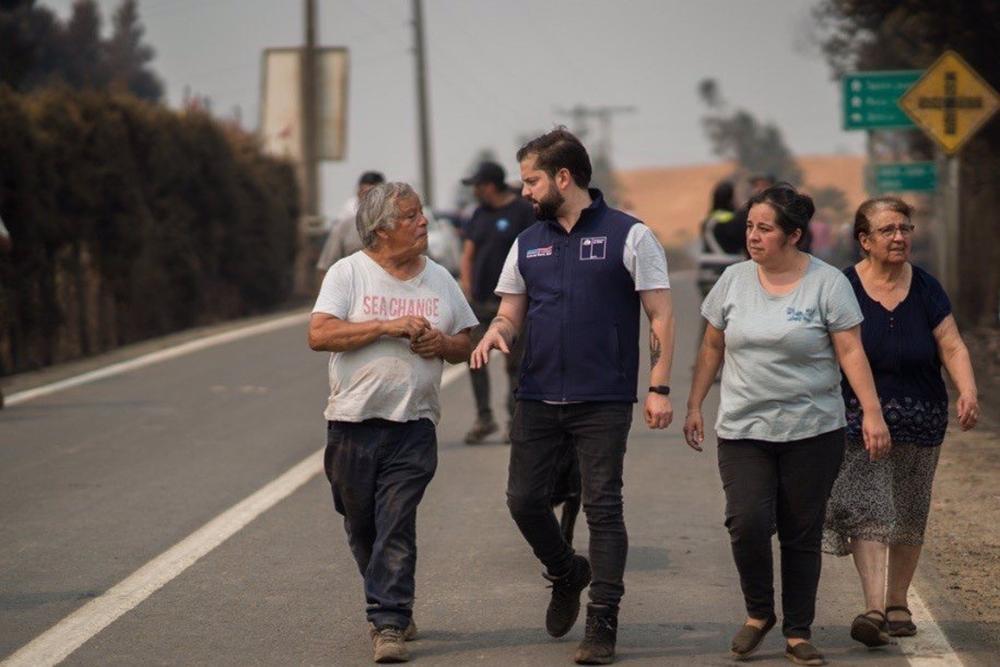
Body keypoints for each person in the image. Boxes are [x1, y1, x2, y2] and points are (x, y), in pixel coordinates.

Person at [471, 128, 675, 665]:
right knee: (523, 501)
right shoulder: (526, 242)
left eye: (531, 181)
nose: (524, 192)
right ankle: (566, 572)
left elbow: (660, 314)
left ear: (563, 178)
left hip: (603, 398)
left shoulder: (630, 235)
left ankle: (602, 621)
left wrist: (658, 386)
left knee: (604, 507)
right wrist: (497, 332)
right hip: (537, 394)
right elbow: (510, 312)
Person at [683, 183, 891, 666]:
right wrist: (694, 404)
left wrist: (872, 412)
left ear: (793, 235)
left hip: (813, 431)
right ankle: (760, 613)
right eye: (750, 227)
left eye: (765, 228)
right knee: (747, 522)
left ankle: (798, 631)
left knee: (801, 532)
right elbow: (712, 345)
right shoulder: (733, 280)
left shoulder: (827, 283)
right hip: (743, 429)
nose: (752, 236)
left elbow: (851, 351)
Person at [309, 182, 478, 664]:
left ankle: (388, 620)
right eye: (410, 216)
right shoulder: (348, 273)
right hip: (351, 424)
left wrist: (440, 344)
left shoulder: (439, 278)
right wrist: (387, 326)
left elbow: (467, 342)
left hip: (413, 425)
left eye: (421, 213)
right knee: (361, 524)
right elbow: (319, 334)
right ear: (381, 230)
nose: (423, 222)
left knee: (396, 524)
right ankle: (389, 596)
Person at [823, 197, 979, 647]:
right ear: (864, 240)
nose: (899, 237)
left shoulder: (926, 287)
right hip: (859, 416)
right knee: (867, 505)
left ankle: (897, 603)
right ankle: (873, 607)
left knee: (910, 508)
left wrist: (967, 389)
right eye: (888, 230)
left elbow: (951, 345)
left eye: (905, 229)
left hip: (922, 415)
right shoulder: (843, 287)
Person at [459, 161, 536, 443]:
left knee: (514, 364)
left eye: (477, 186)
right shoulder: (479, 214)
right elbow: (468, 254)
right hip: (480, 304)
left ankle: (514, 420)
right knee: (474, 359)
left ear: (490, 185)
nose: (475, 191)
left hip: (513, 304)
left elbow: (532, 251)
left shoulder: (523, 211)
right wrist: (466, 289)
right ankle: (484, 418)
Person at [316, 171, 386, 275]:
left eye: (374, 194)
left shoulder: (397, 226)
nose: (369, 199)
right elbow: (326, 267)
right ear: (358, 194)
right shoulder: (344, 226)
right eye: (364, 193)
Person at [696, 180, 743, 297]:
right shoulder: (735, 221)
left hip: (705, 274)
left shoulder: (707, 221)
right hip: (727, 274)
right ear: (731, 200)